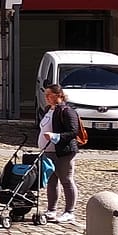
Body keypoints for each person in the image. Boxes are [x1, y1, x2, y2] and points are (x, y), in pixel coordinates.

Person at [37, 83, 82, 223]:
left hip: (63, 152)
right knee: (51, 181)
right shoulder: (47, 110)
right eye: (46, 95)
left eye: (50, 95)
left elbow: (73, 131)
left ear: (59, 96)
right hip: (48, 151)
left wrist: (56, 137)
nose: (47, 98)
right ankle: (52, 210)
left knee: (66, 180)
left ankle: (69, 212)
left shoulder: (67, 111)